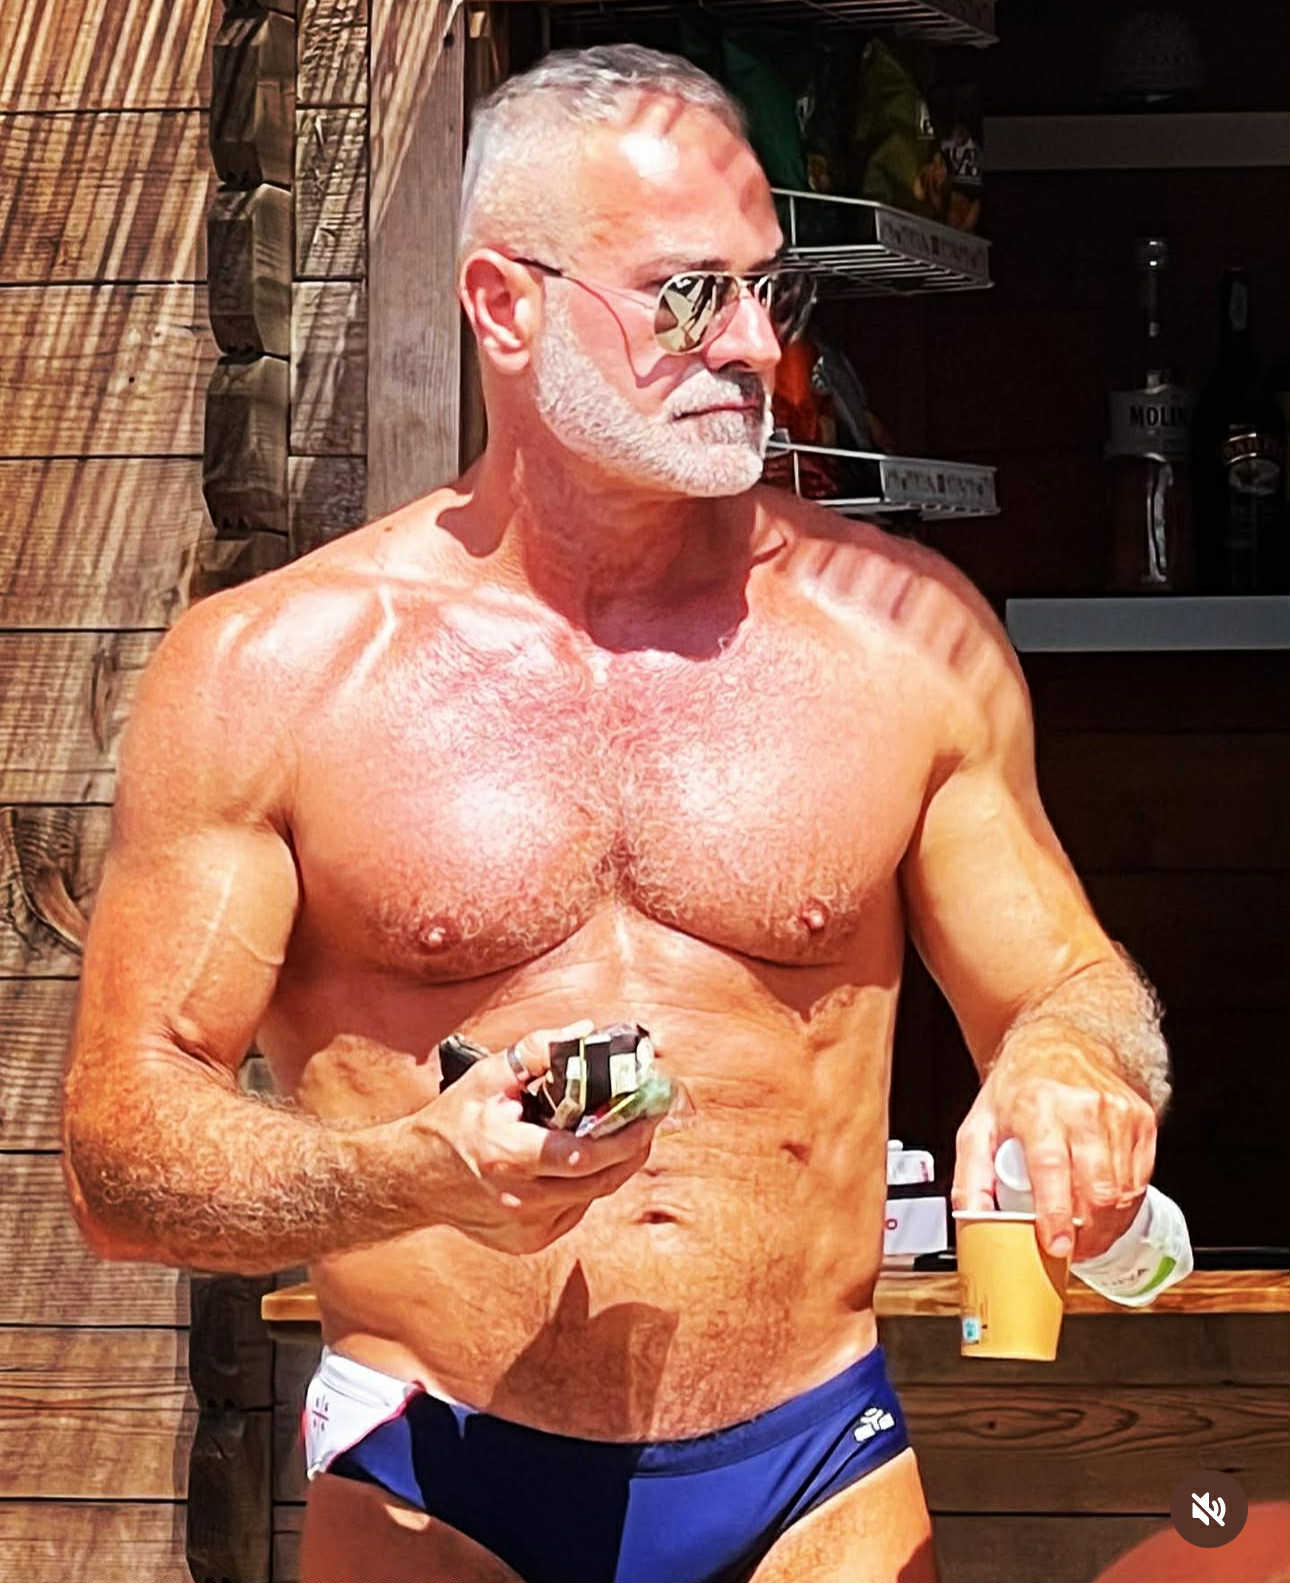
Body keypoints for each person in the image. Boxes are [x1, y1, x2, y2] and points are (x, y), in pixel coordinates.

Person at [61, 44, 1170, 1583]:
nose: (753, 344)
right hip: (436, 1476)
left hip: (812, 1469)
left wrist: (1070, 1067)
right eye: (686, 294)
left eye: (768, 290)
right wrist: (410, 1173)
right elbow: (120, 1156)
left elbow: (1066, 981)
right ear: (504, 305)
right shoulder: (277, 669)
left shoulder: (903, 640)